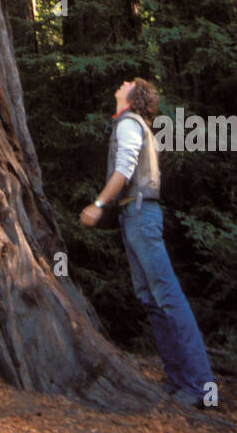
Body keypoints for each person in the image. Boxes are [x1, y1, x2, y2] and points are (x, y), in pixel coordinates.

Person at [79, 77, 215, 409]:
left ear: (133, 97)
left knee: (168, 297)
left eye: (129, 83)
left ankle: (201, 387)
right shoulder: (132, 123)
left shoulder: (129, 123)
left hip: (140, 215)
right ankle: (177, 380)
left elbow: (124, 170)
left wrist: (97, 205)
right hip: (136, 215)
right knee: (153, 299)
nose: (122, 82)